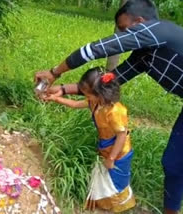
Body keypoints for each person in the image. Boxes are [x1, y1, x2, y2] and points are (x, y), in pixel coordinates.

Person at [34, 0, 183, 213]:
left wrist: (54, 72)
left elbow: (96, 49)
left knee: (175, 163)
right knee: (173, 164)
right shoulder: (145, 54)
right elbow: (110, 81)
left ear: (140, 22)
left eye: (124, 29)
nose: (123, 35)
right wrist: (64, 89)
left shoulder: (159, 31)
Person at [45, 67, 135, 212]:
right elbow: (75, 104)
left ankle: (120, 205)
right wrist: (55, 98)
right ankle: (104, 203)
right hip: (105, 145)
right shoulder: (95, 102)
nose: (86, 97)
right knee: (104, 175)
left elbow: (121, 135)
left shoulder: (115, 112)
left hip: (119, 151)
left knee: (116, 179)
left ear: (100, 94)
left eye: (88, 94)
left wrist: (112, 158)